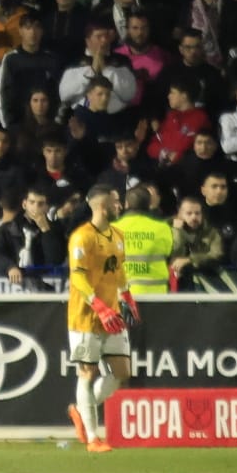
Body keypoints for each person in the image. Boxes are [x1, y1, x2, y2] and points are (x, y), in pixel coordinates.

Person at [66, 185, 131, 453]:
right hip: (85, 316)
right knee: (87, 372)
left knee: (121, 372)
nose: (120, 206)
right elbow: (78, 275)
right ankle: (93, 438)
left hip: (112, 314)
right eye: (116, 202)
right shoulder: (82, 237)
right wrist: (97, 305)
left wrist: (127, 295)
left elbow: (119, 270)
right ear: (103, 206)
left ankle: (82, 411)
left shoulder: (118, 235)